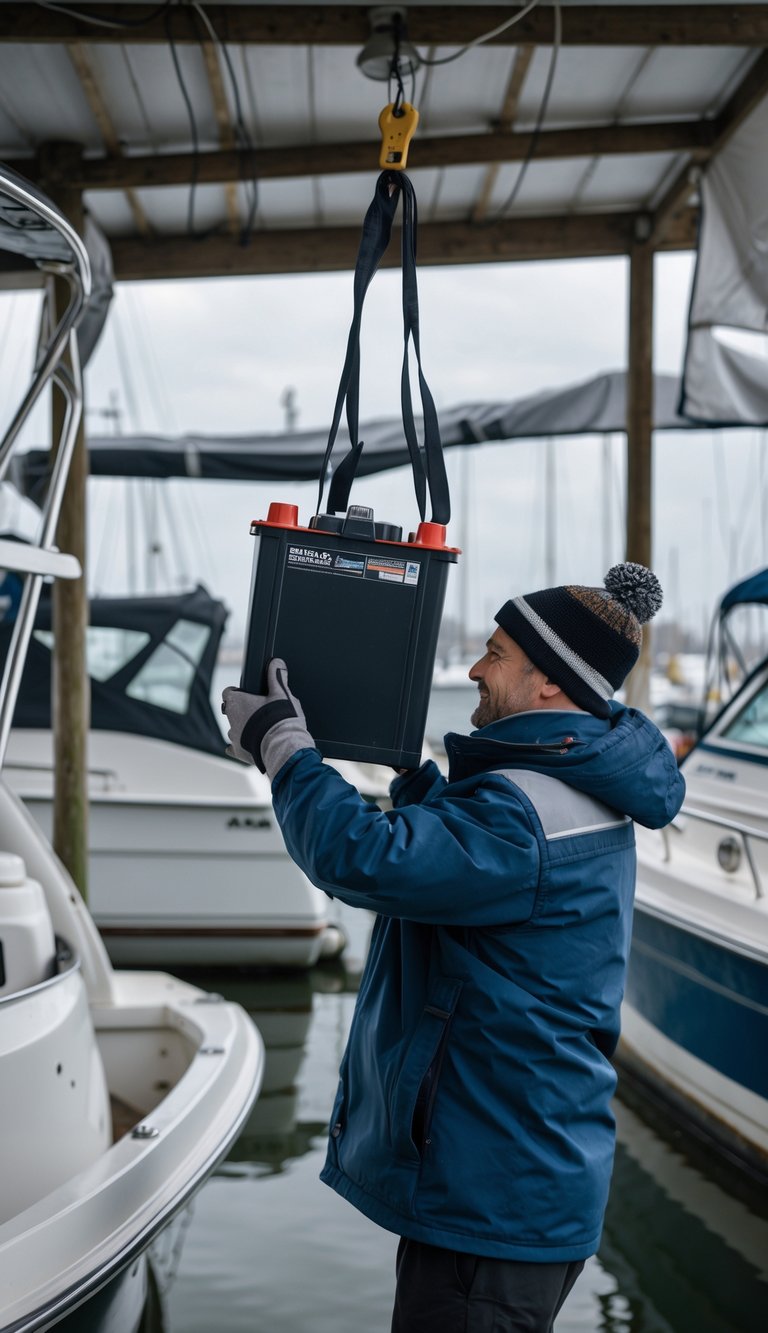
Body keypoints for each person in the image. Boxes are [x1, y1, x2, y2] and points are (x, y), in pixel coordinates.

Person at [222, 561, 686, 1333]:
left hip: (494, 1200)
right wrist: (418, 788)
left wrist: (285, 748)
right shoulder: (575, 781)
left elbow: (363, 859)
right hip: (516, 1181)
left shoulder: (520, 812)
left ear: (548, 684)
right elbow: (475, 866)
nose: (475, 666)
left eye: (496, 652)